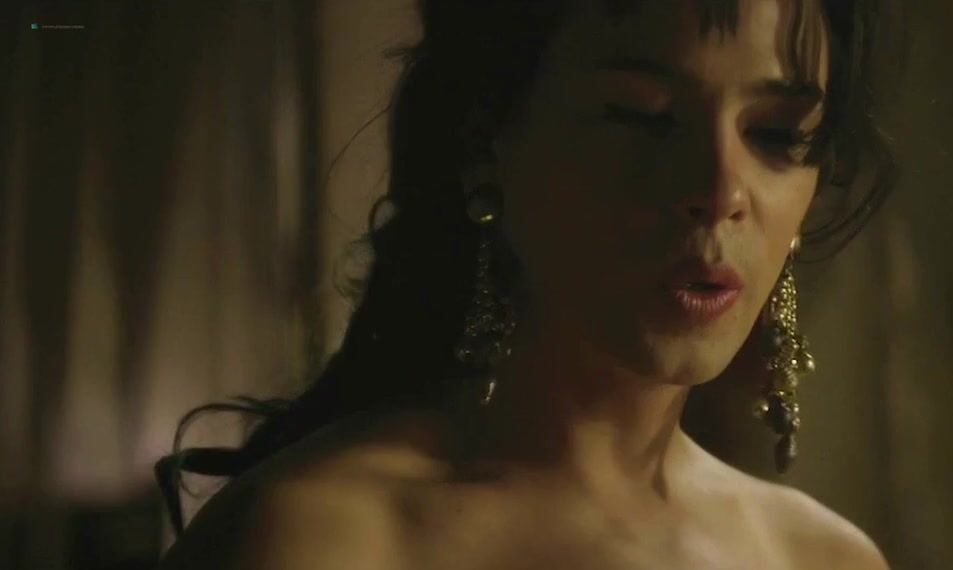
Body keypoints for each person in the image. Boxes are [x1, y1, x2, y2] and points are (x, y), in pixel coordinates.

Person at [155, 0, 900, 568]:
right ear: (486, 144)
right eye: (641, 117)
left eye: (775, 134)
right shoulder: (321, 540)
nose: (719, 190)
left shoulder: (818, 557)